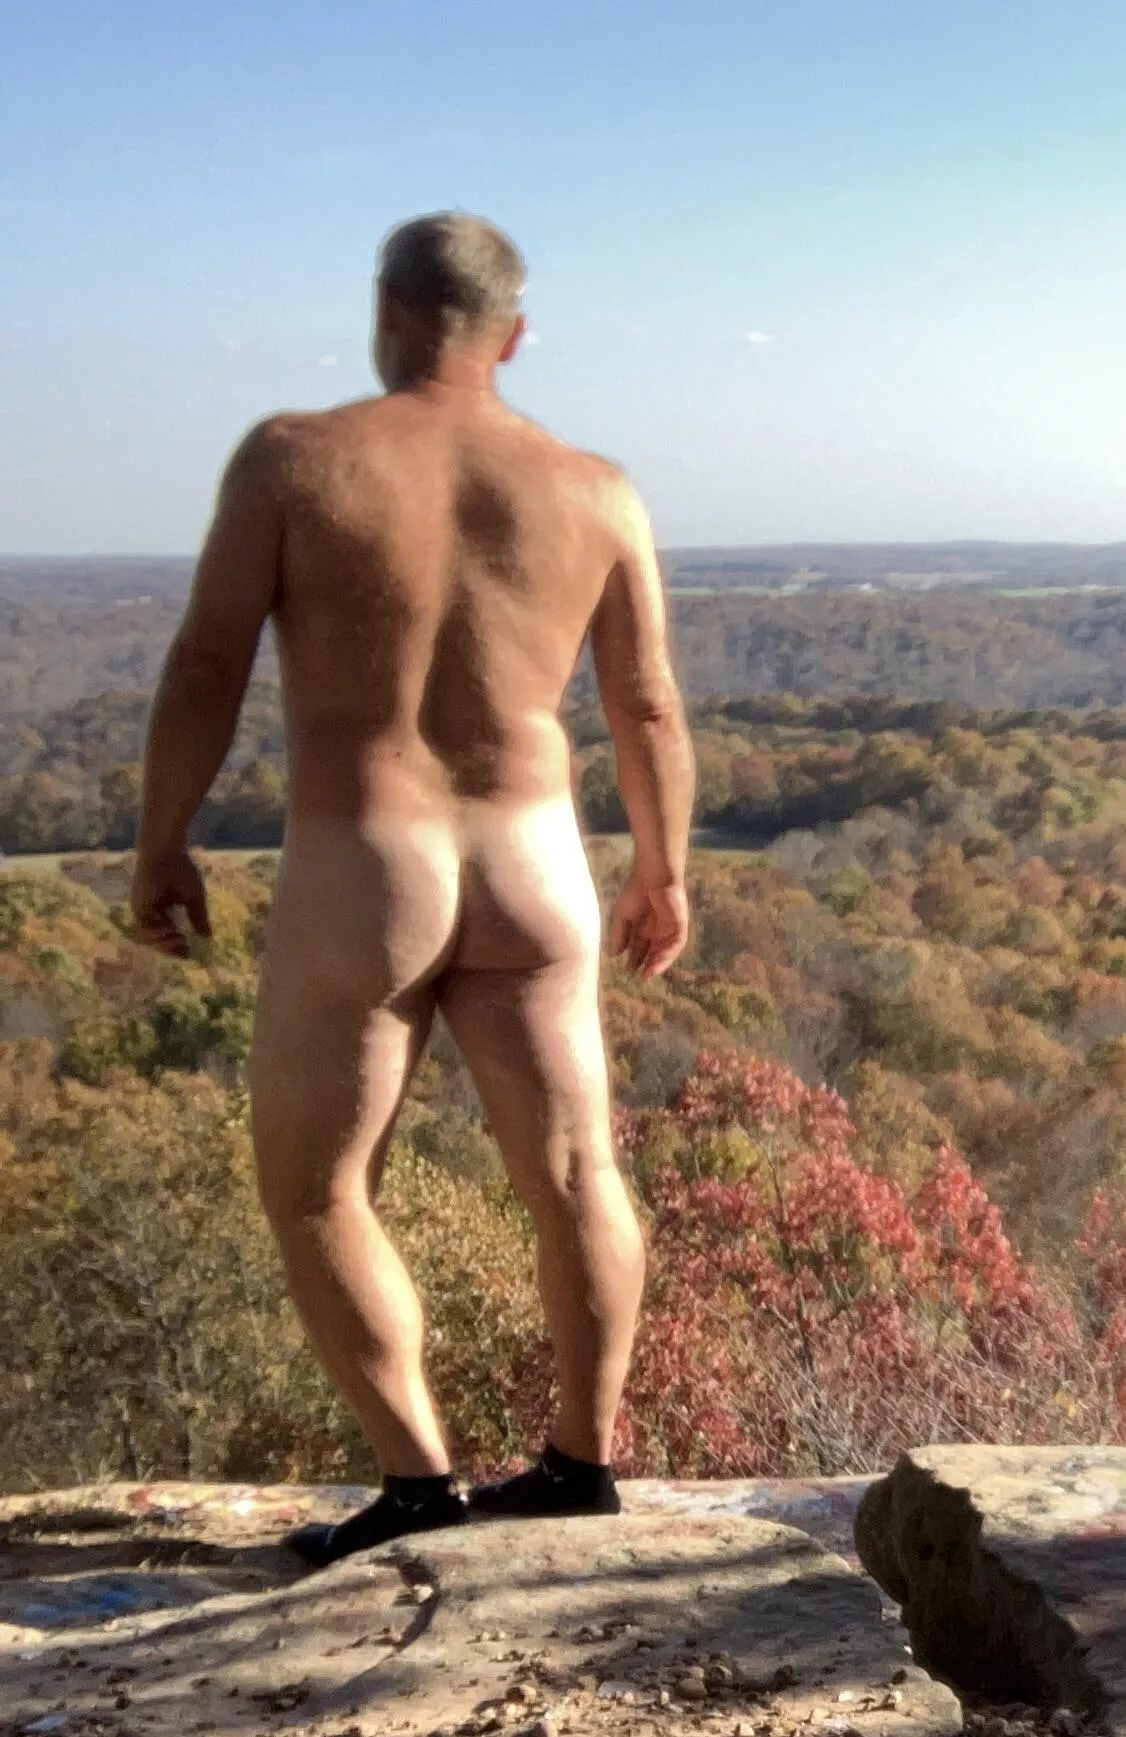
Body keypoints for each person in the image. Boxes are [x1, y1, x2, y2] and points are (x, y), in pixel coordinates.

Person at [128, 212, 694, 1565]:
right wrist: (665, 870)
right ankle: (577, 1465)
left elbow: (207, 665)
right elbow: (649, 704)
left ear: (387, 315)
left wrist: (162, 842)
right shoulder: (595, 488)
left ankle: (420, 1485)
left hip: (364, 863)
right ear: (515, 333)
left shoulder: (295, 461)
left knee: (319, 1186)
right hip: (536, 859)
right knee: (576, 1174)